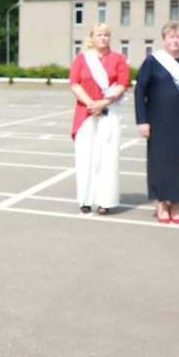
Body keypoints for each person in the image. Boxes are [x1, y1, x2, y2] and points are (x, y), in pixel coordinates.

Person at [134, 21, 179, 224]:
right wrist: (142, 121)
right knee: (160, 163)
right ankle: (162, 203)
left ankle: (176, 205)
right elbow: (140, 92)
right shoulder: (152, 62)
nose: (176, 40)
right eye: (172, 37)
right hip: (157, 121)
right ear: (164, 39)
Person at [68, 23, 129, 215]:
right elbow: (74, 84)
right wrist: (90, 104)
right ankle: (85, 199)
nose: (103, 38)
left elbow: (122, 84)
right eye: (99, 35)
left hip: (109, 112)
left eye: (106, 35)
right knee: (85, 157)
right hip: (85, 113)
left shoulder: (118, 59)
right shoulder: (82, 58)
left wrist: (103, 103)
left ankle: (105, 201)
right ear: (92, 37)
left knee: (107, 157)